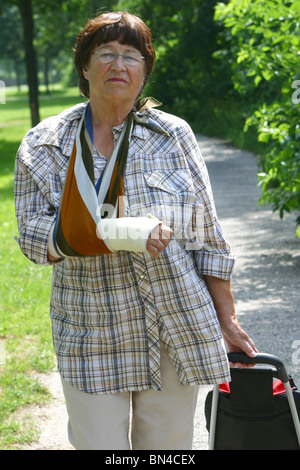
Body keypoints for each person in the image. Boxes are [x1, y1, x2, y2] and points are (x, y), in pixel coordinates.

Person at [14, 11, 257, 450]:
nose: (118, 65)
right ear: (85, 67)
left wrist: (228, 320)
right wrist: (118, 232)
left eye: (131, 56)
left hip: (174, 322)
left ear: (145, 72)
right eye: (105, 53)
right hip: (91, 328)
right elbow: (32, 238)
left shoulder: (172, 135)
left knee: (167, 451)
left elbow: (208, 236)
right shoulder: (44, 143)